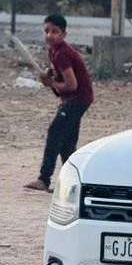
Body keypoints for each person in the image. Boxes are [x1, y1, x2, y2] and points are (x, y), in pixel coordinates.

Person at [24, 14, 94, 193]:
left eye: (55, 31)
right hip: (77, 99)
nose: (49, 35)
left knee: (55, 133)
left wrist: (51, 83)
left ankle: (43, 179)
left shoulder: (63, 53)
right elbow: (61, 83)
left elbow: (71, 85)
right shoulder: (53, 51)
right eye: (47, 31)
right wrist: (51, 78)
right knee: (67, 142)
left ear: (64, 34)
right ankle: (75, 182)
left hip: (77, 99)